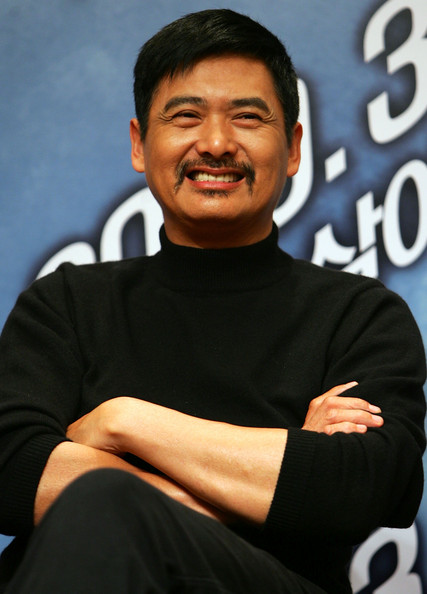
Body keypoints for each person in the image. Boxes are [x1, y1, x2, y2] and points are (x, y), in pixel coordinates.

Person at [0, 8, 425, 594]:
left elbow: (362, 486)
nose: (217, 144)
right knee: (101, 505)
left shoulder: (359, 314)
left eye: (247, 117)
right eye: (186, 116)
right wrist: (280, 466)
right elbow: (11, 471)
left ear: (294, 147)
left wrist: (124, 422)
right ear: (139, 145)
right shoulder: (66, 306)